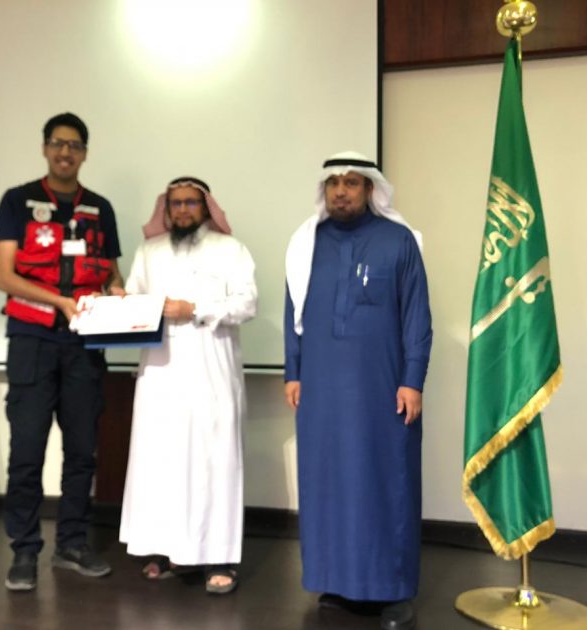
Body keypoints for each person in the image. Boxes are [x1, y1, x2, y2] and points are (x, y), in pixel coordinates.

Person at [283, 152, 432, 630]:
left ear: (370, 189)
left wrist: (412, 379)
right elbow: (293, 312)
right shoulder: (306, 244)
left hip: (383, 390)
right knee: (327, 482)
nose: (341, 191)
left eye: (351, 183)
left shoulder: (398, 240)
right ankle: (337, 581)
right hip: (322, 391)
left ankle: (393, 590)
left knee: (388, 482)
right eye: (333, 183)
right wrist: (293, 371)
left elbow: (417, 316)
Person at [0, 113, 124, 590]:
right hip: (32, 340)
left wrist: (120, 298)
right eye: (57, 143)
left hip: (85, 344)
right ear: (45, 148)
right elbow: (4, 276)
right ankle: (24, 550)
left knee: (83, 451)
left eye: (74, 145)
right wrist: (59, 302)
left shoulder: (100, 208)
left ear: (85, 153)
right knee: (27, 451)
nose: (65, 152)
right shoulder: (17, 201)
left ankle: (72, 543)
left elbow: (111, 274)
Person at [119, 177, 257, 595]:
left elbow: (247, 303)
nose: (182, 210)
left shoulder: (230, 249)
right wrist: (118, 300)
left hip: (212, 372)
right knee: (161, 461)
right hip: (159, 373)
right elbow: (132, 301)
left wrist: (192, 309)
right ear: (166, 209)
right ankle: (165, 551)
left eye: (191, 202)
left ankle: (219, 558)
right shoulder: (148, 251)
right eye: (175, 203)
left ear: (206, 207)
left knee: (214, 462)